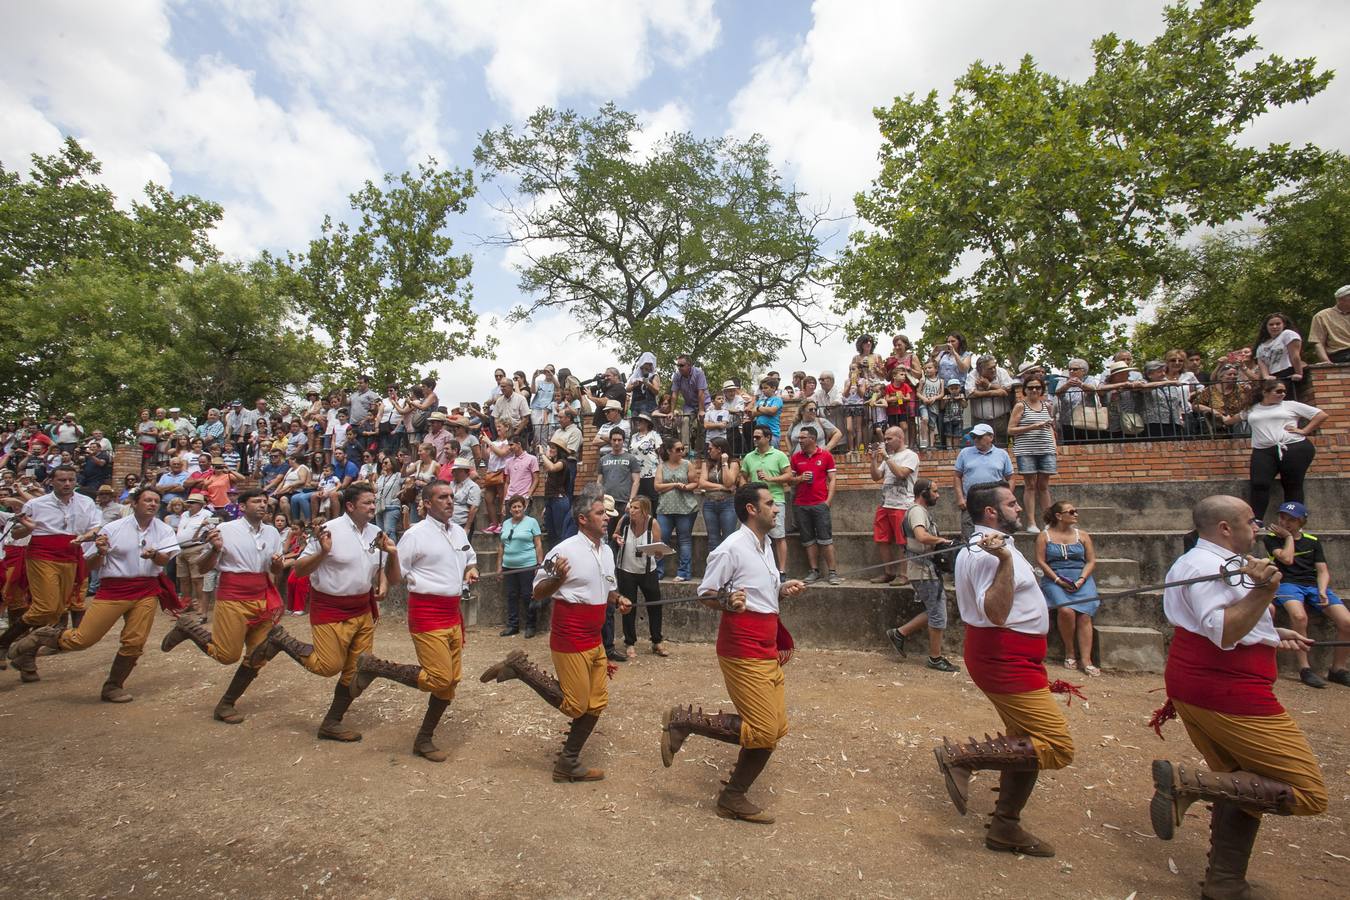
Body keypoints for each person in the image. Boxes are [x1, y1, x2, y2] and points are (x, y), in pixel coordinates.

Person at [1149, 495, 1327, 898]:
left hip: (1210, 683)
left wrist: (1269, 635)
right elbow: (1223, 630)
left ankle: (1225, 882)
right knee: (1307, 792)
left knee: (1243, 785)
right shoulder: (1206, 566)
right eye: (1252, 521)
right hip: (1226, 689)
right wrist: (1266, 591)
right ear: (1226, 528)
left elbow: (1227, 623)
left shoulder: (1207, 563)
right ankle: (1188, 784)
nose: (1258, 527)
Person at [934, 481, 1073, 858]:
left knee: (1025, 742)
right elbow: (994, 614)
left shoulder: (999, 545)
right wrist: (1006, 562)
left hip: (1017, 657)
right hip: (1003, 658)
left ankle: (1006, 825)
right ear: (991, 512)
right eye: (1012, 503)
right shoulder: (986, 553)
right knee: (1057, 746)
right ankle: (963, 758)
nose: (1019, 507)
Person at [659, 482, 807, 823]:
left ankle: (732, 796)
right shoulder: (731, 548)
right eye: (770, 503)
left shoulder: (766, 545)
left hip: (765, 644)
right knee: (764, 729)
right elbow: (706, 593)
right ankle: (686, 723)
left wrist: (782, 589)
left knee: (776, 727)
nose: (777, 508)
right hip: (741, 647)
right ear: (751, 509)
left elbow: (761, 593)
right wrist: (726, 601)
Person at [479, 488, 632, 782]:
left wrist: (617, 599)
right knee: (576, 705)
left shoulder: (607, 551)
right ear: (583, 519)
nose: (606, 519)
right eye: (601, 514)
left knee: (596, 702)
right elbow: (537, 591)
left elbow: (607, 587)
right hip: (570, 634)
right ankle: (521, 670)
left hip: (594, 636)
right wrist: (558, 579)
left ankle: (568, 762)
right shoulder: (563, 551)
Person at [247, 484, 399, 742]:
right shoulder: (331, 530)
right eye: (367, 503)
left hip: (362, 609)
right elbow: (301, 571)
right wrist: (323, 551)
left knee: (356, 671)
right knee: (328, 666)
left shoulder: (376, 532)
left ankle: (332, 723)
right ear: (350, 506)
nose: (373, 507)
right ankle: (280, 639)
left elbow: (386, 574)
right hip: (331, 607)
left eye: (374, 502)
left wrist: (389, 563)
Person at [347, 480, 479, 763]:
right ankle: (376, 667)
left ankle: (424, 739)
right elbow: (395, 577)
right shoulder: (415, 534)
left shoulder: (457, 531)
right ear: (427, 504)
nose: (449, 501)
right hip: (427, 612)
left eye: (451, 496)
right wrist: (392, 557)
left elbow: (469, 556)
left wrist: (471, 569)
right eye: (442, 497)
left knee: (450, 682)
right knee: (441, 677)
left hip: (452, 613)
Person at [9, 486, 181, 700]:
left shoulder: (164, 530)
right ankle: (41, 636)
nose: (153, 504)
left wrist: (155, 554)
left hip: (146, 590)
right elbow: (89, 565)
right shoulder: (112, 528)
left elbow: (164, 560)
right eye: (147, 500)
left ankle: (113, 686)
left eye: (156, 501)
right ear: (134, 503)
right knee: (82, 639)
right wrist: (100, 552)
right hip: (114, 590)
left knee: (135, 642)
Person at [160, 488, 284, 722]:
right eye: (256, 501)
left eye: (265, 501)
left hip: (262, 595)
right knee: (227, 655)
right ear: (242, 506)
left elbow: (275, 569)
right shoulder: (225, 530)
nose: (262, 505)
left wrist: (278, 564)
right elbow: (204, 567)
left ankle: (226, 703)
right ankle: (189, 628)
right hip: (233, 597)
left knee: (259, 656)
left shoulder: (272, 533)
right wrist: (215, 549)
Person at [4, 467, 99, 673]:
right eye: (62, 480)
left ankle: (26, 657)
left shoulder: (86, 502)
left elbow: (96, 527)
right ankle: (4, 642)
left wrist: (87, 536)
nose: (66, 483)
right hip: (42, 554)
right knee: (46, 608)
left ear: (76, 481)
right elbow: (16, 534)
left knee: (56, 611)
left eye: (70, 480)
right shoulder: (36, 504)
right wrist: (28, 528)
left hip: (71, 555)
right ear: (51, 482)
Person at [1262, 501, 1350, 689]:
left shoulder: (1313, 541)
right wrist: (1289, 538)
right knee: (1299, 616)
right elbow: (1286, 558)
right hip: (1286, 584)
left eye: (1291, 520)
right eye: (1282, 518)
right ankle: (1305, 668)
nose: (1285, 522)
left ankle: (1338, 669)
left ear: (1301, 521)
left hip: (1311, 586)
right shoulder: (1271, 539)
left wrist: (1322, 589)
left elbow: (1322, 571)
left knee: (1347, 621)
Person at [885, 478, 959, 672]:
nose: (938, 495)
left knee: (935, 609)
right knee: (938, 613)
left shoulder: (920, 511)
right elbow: (921, 536)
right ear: (923, 493)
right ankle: (935, 658)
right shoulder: (917, 511)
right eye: (935, 491)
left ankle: (899, 633)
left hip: (925, 570)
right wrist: (944, 541)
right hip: (923, 571)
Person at [1244, 379, 1328, 523]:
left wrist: (1304, 430)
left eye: (1284, 391)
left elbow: (1321, 415)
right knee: (1259, 483)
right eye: (1278, 391)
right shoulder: (1253, 408)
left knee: (1292, 484)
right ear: (1265, 392)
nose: (1282, 394)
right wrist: (1223, 418)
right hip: (1263, 450)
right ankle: (1257, 520)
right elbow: (1234, 418)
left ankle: (1293, 522)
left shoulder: (1290, 405)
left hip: (1294, 447)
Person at [1036, 502, 1100, 677]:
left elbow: (1091, 561)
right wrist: (1057, 579)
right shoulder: (1045, 536)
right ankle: (1070, 651)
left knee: (1085, 614)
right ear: (1058, 516)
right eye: (1071, 512)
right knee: (1066, 610)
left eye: (1076, 511)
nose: (1075, 514)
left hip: (1080, 577)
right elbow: (1041, 561)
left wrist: (1081, 579)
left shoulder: (1083, 535)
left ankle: (1086, 659)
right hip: (1055, 577)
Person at [612, 496, 667, 658]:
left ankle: (657, 641)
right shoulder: (625, 520)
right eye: (631, 507)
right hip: (626, 569)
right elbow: (615, 534)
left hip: (647, 570)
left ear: (644, 511)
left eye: (635, 508)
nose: (631, 510)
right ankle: (629, 642)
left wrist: (658, 553)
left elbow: (659, 551)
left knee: (655, 605)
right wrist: (618, 538)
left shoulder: (653, 523)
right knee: (628, 606)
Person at [739, 426, 791, 580]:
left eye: (758, 437)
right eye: (754, 437)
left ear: (768, 438)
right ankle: (759, 570)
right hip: (755, 503)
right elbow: (743, 475)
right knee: (755, 537)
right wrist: (744, 489)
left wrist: (770, 479)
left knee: (779, 536)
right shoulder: (749, 457)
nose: (754, 440)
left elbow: (788, 476)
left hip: (776, 500)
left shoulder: (779, 455)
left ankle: (781, 571)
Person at [868, 425, 918, 585]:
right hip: (885, 503)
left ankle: (904, 575)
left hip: (902, 505)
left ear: (900, 438)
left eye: (889, 439)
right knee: (881, 539)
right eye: (886, 439)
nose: (886, 442)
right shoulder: (889, 456)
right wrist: (874, 460)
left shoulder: (910, 455)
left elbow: (902, 474)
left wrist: (887, 458)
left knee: (903, 541)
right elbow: (876, 477)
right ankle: (888, 572)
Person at [789, 426, 839, 585]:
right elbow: (790, 480)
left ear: (812, 439)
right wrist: (800, 479)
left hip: (820, 504)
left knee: (825, 539)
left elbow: (832, 480)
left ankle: (832, 573)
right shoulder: (796, 457)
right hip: (801, 504)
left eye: (803, 438)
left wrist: (828, 501)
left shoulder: (826, 455)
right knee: (808, 539)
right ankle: (814, 571)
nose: (799, 441)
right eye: (799, 438)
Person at [1008, 375, 1056, 532]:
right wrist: (1033, 426)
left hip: (1046, 448)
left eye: (1037, 387)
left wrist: (1054, 447)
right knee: (1030, 486)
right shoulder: (1020, 406)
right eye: (1030, 387)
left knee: (1043, 486)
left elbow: (1050, 428)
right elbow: (1010, 430)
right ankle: (1031, 522)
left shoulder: (1047, 405)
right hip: (1026, 449)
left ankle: (1049, 523)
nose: (1034, 390)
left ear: (1042, 389)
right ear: (1025, 390)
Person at [953, 424, 1014, 541]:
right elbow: (957, 476)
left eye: (979, 437)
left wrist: (1006, 497)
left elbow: (1011, 477)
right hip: (971, 502)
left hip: (994, 502)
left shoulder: (1002, 454)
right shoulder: (965, 453)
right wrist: (960, 498)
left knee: (996, 536)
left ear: (991, 437)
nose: (975, 439)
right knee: (968, 537)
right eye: (974, 437)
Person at [654, 437, 698, 583]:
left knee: (684, 540)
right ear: (669, 451)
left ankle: (684, 572)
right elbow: (657, 486)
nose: (681, 452)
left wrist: (685, 487)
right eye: (678, 449)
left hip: (686, 508)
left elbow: (694, 483)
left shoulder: (687, 464)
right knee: (661, 540)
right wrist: (674, 485)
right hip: (665, 508)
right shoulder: (662, 466)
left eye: (682, 449)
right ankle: (658, 571)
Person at [499, 495, 543, 638]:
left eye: (519, 506)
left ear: (524, 507)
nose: (517, 509)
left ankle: (530, 625)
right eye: (514, 507)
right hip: (508, 565)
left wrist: (539, 564)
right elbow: (501, 546)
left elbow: (538, 544)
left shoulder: (532, 522)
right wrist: (499, 566)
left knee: (527, 595)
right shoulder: (505, 523)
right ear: (510, 509)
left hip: (527, 565)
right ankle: (513, 625)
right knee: (511, 595)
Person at [697, 437, 739, 553]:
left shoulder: (733, 463)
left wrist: (724, 463)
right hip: (709, 504)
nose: (708, 451)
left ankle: (729, 569)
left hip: (727, 504)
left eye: (711, 449)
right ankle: (714, 568)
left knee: (728, 539)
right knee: (713, 540)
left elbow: (729, 482)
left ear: (719, 449)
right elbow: (702, 483)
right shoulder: (707, 463)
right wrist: (722, 487)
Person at [1253, 312, 1307, 399]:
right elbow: (1261, 362)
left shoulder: (1288, 334)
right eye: (1271, 324)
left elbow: (1295, 355)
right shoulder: (1261, 345)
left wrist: (1298, 373)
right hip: (1272, 377)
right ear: (1266, 327)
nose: (1274, 327)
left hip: (1288, 373)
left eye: (1278, 324)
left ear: (1284, 324)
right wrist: (1266, 376)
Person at [1191, 362, 1253, 436]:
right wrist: (1212, 410)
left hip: (1238, 421)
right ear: (1221, 377)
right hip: (1216, 423)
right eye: (1229, 374)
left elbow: (1252, 402)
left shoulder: (1242, 388)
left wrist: (1249, 391)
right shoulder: (1210, 389)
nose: (1233, 376)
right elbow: (1195, 405)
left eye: (1235, 374)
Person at [596, 429, 638, 534]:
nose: (616, 442)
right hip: (607, 503)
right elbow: (599, 482)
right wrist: (598, 499)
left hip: (624, 503)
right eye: (614, 440)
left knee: (624, 535)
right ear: (610, 441)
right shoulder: (603, 459)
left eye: (619, 440)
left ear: (623, 441)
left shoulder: (631, 458)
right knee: (607, 534)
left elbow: (636, 481)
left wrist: (631, 501)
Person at [964, 355, 1014, 441]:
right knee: (981, 448)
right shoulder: (973, 375)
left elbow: (1008, 389)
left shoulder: (1001, 372)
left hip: (1001, 419)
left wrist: (989, 386)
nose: (994, 370)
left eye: (994, 366)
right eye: (989, 368)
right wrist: (996, 392)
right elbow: (970, 393)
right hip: (980, 420)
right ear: (980, 370)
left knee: (1002, 447)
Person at [538, 438, 574, 546]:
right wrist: (546, 505)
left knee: (560, 533)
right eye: (551, 447)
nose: (551, 450)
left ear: (559, 450)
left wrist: (542, 454)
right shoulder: (553, 461)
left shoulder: (563, 463)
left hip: (559, 500)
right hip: (551, 500)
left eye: (553, 448)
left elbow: (552, 468)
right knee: (551, 533)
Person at [671, 354, 709, 451]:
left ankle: (701, 451)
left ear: (689, 365)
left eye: (682, 365)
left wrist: (701, 410)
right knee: (685, 421)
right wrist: (671, 411)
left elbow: (701, 393)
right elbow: (674, 394)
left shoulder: (699, 373)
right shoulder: (677, 376)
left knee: (703, 423)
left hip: (704, 403)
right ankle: (685, 450)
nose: (679, 368)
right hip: (689, 405)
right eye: (678, 365)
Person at [1308, 284, 1350, 364]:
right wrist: (1326, 361)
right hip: (1340, 354)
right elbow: (1318, 342)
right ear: (1340, 300)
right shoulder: (1322, 316)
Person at [628, 414, 661, 504]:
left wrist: (662, 469)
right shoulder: (634, 436)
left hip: (651, 472)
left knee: (653, 499)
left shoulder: (654, 434)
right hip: (636, 474)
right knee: (639, 500)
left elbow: (660, 452)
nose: (637, 422)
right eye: (637, 421)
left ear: (646, 423)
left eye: (640, 421)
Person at [751, 378, 784, 447]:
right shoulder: (760, 400)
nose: (763, 390)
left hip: (772, 434)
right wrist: (766, 411)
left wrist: (758, 408)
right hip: (759, 434)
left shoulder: (777, 399)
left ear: (773, 388)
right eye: (762, 388)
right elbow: (753, 413)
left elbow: (772, 411)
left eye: (766, 388)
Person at [626, 352, 661, 417]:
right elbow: (627, 389)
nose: (648, 366)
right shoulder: (635, 375)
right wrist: (634, 385)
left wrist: (647, 383)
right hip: (635, 406)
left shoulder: (654, 376)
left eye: (649, 364)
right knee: (633, 425)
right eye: (646, 363)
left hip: (648, 407)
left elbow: (656, 391)